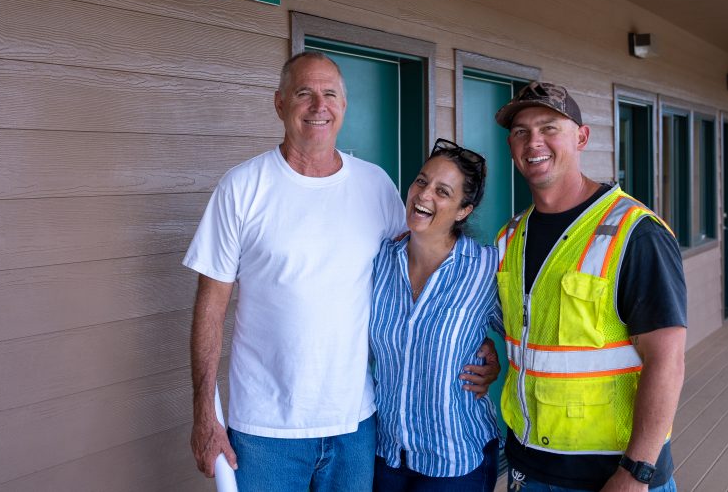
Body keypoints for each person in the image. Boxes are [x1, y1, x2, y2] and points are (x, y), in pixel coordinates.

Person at [185, 52, 500, 492]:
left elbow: (418, 265)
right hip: (265, 430)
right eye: (304, 93)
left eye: (330, 94)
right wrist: (205, 412)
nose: (320, 106)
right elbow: (210, 306)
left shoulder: (375, 185)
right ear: (279, 103)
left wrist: (474, 341)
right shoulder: (242, 187)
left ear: (345, 105)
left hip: (357, 425)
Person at [493, 82, 687, 492]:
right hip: (529, 464)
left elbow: (667, 360)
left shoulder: (635, 233)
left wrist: (637, 472)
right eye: (521, 131)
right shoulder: (510, 237)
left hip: (611, 473)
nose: (533, 142)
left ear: (581, 137)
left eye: (549, 128)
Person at [370, 139, 503, 492]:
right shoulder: (380, 260)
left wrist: (495, 362)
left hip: (457, 460)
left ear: (463, 210)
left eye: (443, 191)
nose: (424, 194)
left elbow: (528, 339)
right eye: (421, 181)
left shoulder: (486, 268)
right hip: (386, 456)